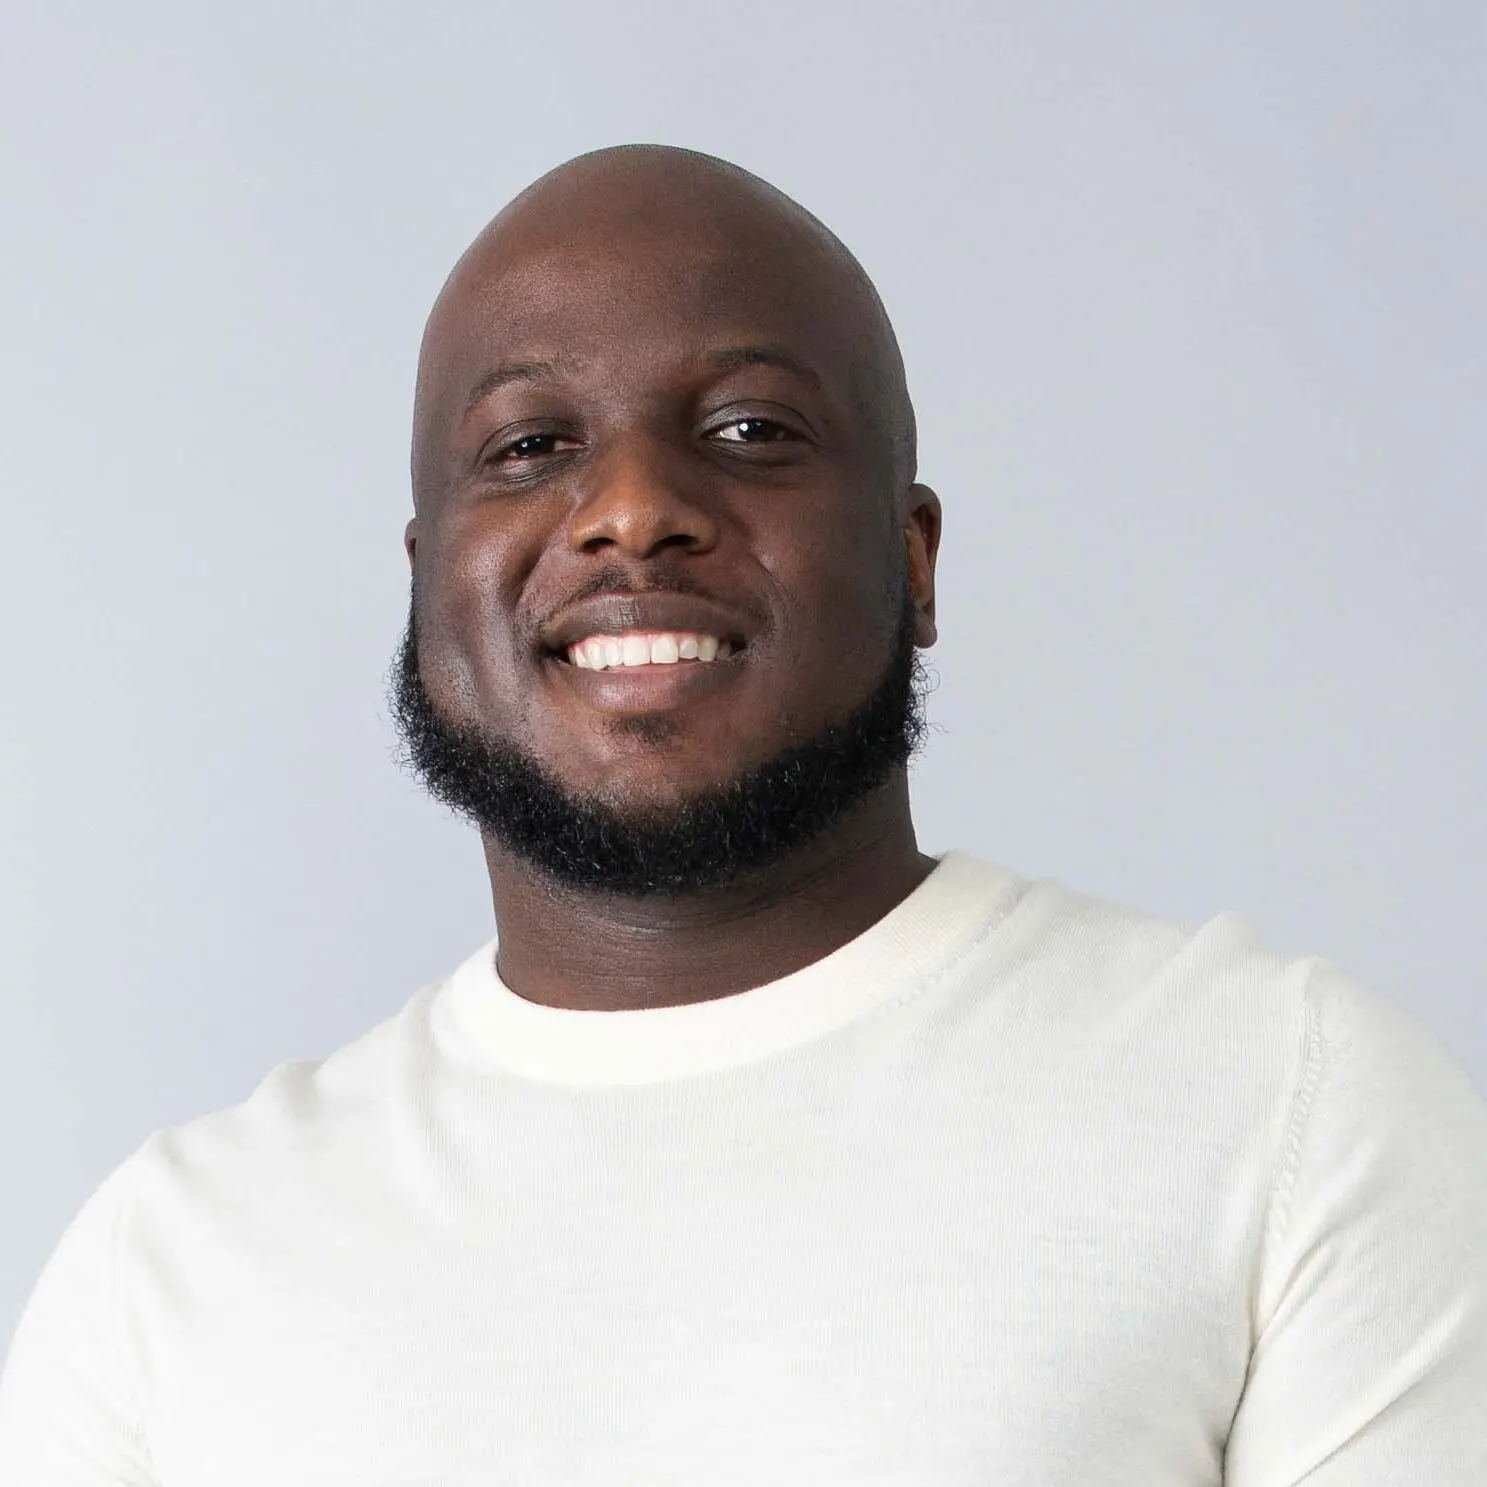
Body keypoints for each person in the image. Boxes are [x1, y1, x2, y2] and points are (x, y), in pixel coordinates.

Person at [2, 144, 1484, 1485]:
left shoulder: (1286, 1108)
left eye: (751, 429)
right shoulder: (173, 1263)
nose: (631, 507)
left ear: (912, 560)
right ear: (422, 575)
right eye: (528, 446)